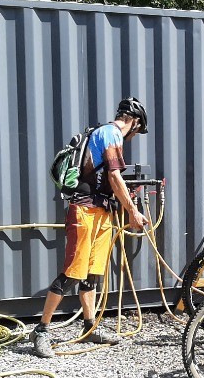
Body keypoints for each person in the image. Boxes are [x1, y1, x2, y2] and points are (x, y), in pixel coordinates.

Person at [30, 97, 151, 358]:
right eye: (138, 130)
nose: (135, 135)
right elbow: (114, 175)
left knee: (93, 273)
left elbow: (108, 179)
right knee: (73, 272)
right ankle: (40, 331)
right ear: (135, 121)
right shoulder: (110, 133)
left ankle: (90, 326)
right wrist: (132, 210)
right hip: (84, 210)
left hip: (103, 211)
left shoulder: (106, 135)